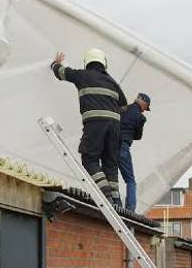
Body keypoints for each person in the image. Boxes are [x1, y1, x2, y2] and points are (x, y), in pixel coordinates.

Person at [51, 47, 127, 206]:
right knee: (110, 164)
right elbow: (124, 104)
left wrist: (55, 63)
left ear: (88, 62)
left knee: (89, 159)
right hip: (115, 127)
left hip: (95, 124)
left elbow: (61, 72)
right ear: (104, 63)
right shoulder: (112, 82)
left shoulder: (82, 75)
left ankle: (105, 196)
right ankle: (117, 202)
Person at [118, 93, 151, 212]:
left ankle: (115, 203)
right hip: (123, 147)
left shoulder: (121, 109)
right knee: (130, 180)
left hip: (110, 144)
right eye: (145, 108)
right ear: (144, 103)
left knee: (111, 175)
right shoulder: (140, 117)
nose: (144, 110)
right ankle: (130, 210)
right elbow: (138, 136)